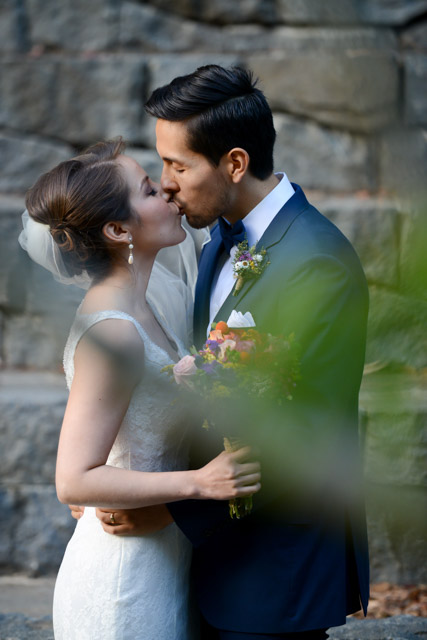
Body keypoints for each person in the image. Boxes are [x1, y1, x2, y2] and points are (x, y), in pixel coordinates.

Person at [89, 65, 370, 639]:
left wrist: (162, 509)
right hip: (208, 558)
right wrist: (124, 479)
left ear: (235, 164)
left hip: (271, 574)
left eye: (178, 165)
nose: (166, 183)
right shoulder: (222, 236)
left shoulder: (315, 264)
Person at [19, 138, 261, 640]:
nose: (170, 194)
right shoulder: (113, 331)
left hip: (165, 556)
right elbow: (74, 479)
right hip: (122, 583)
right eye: (150, 190)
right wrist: (199, 483)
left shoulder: (148, 301)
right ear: (116, 229)